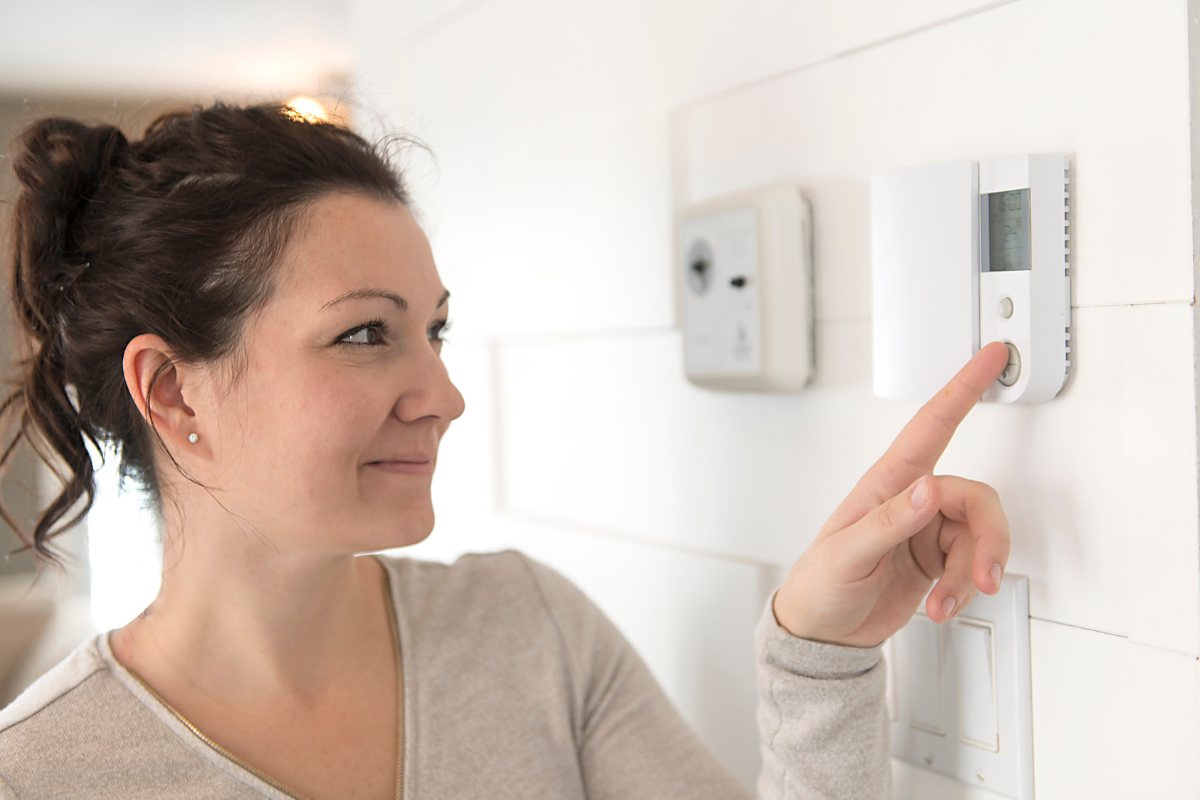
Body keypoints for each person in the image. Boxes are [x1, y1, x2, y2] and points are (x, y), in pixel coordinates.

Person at [0, 101, 1011, 799]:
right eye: (365, 332)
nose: (444, 397)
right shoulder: (40, 774)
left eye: (433, 330)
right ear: (173, 390)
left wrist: (819, 655)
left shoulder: (529, 632)